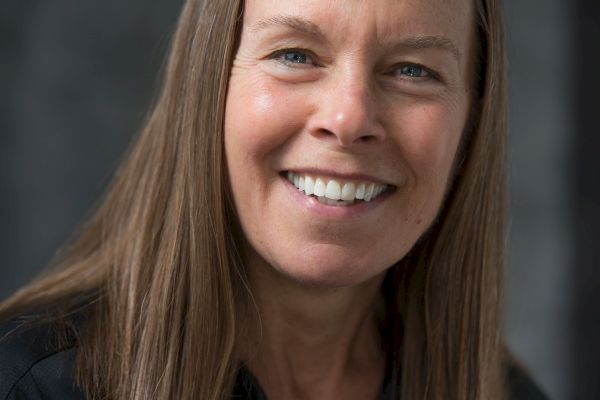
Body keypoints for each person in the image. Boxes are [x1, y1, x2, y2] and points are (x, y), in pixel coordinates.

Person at [0, 0, 548, 399]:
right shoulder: (29, 385)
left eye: (413, 71)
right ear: (210, 84)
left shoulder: (504, 392)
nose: (348, 119)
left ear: (471, 123)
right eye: (295, 54)